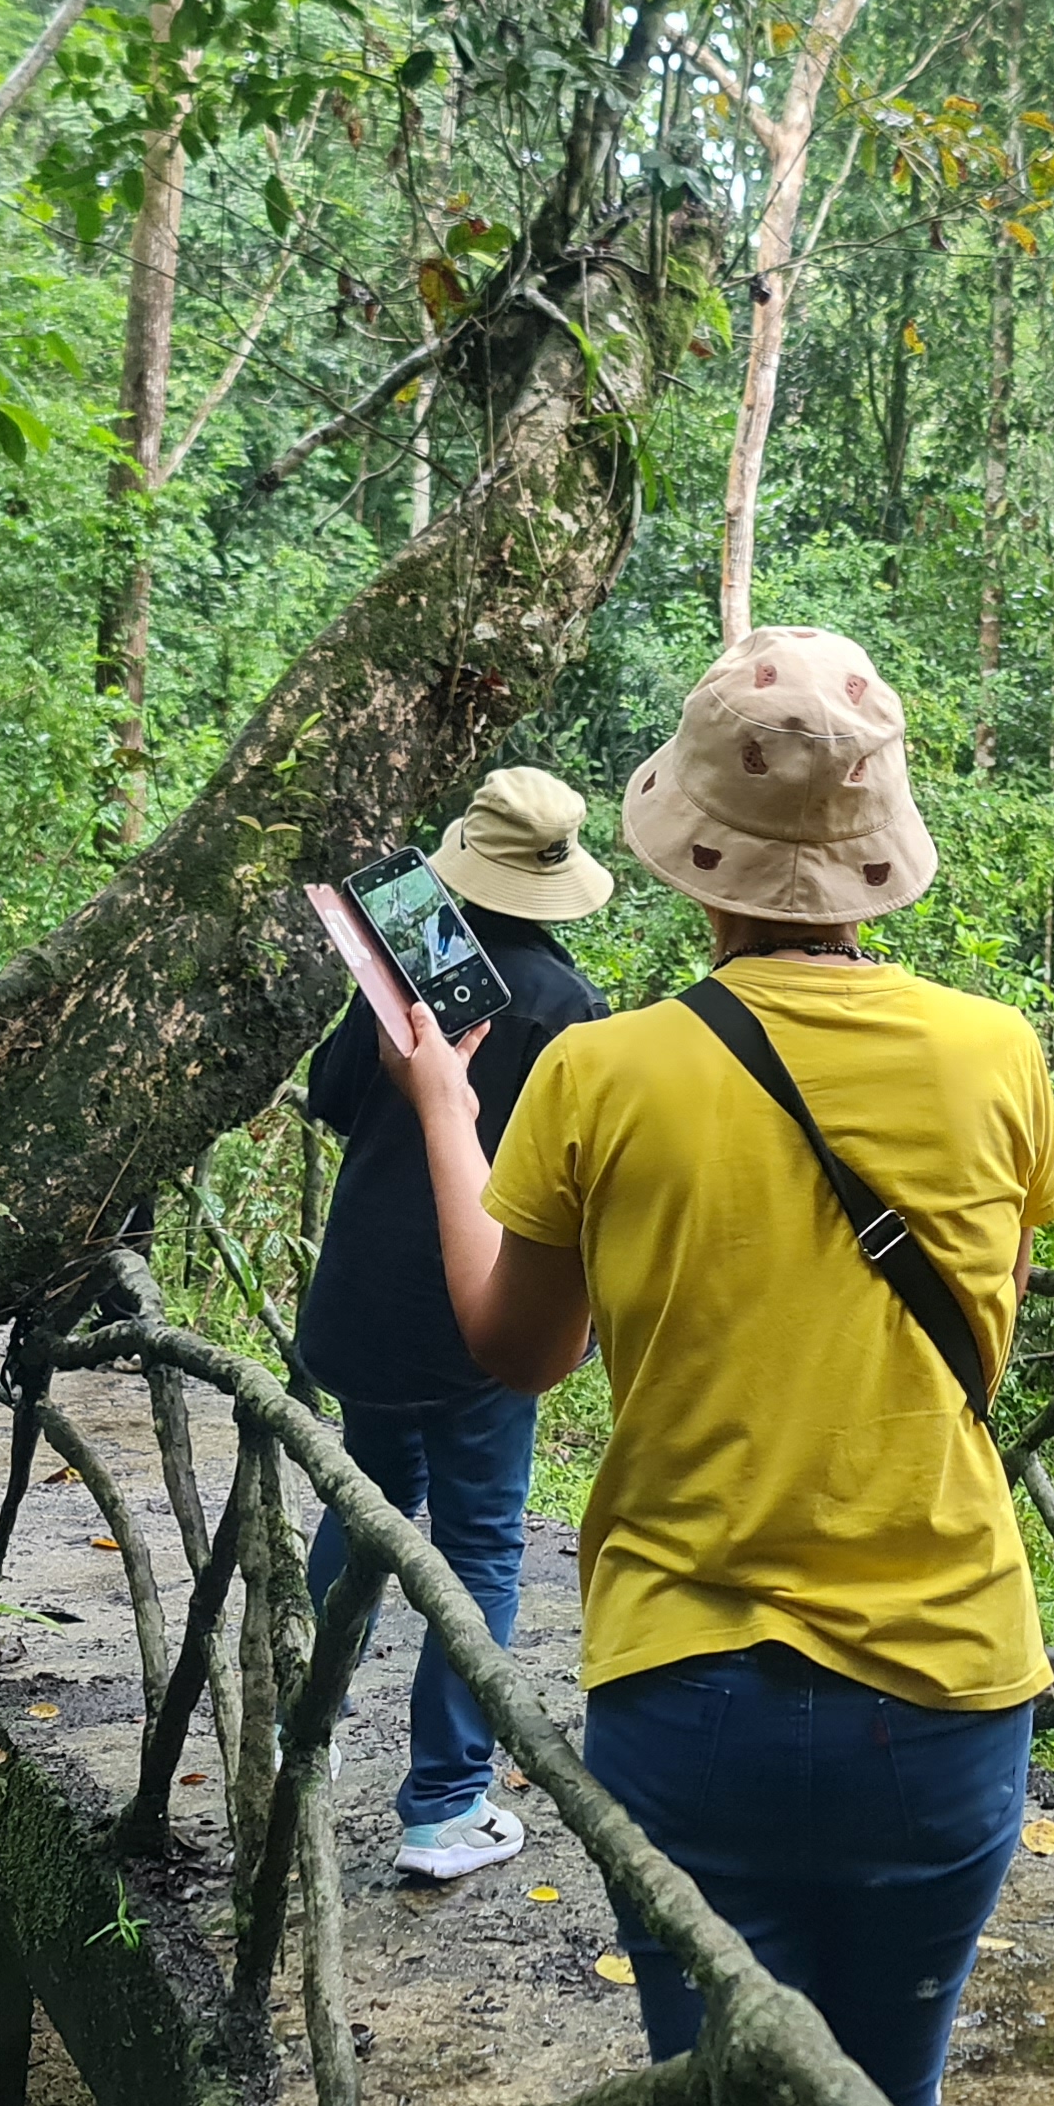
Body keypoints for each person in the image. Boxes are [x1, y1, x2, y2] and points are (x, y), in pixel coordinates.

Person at [377, 627, 1054, 2106]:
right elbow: (984, 1336)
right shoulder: (997, 1060)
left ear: (691, 844)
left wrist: (445, 1116)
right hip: (949, 1686)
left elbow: (514, 1349)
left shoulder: (605, 1075)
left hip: (690, 1688)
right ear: (880, 847)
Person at [297, 767, 612, 1882]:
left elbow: (332, 1103)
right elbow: (582, 1188)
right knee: (478, 1537)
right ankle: (442, 1808)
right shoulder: (568, 1010)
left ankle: (307, 1721)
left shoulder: (401, 979)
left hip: (365, 1294)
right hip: (481, 1313)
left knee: (365, 1495)